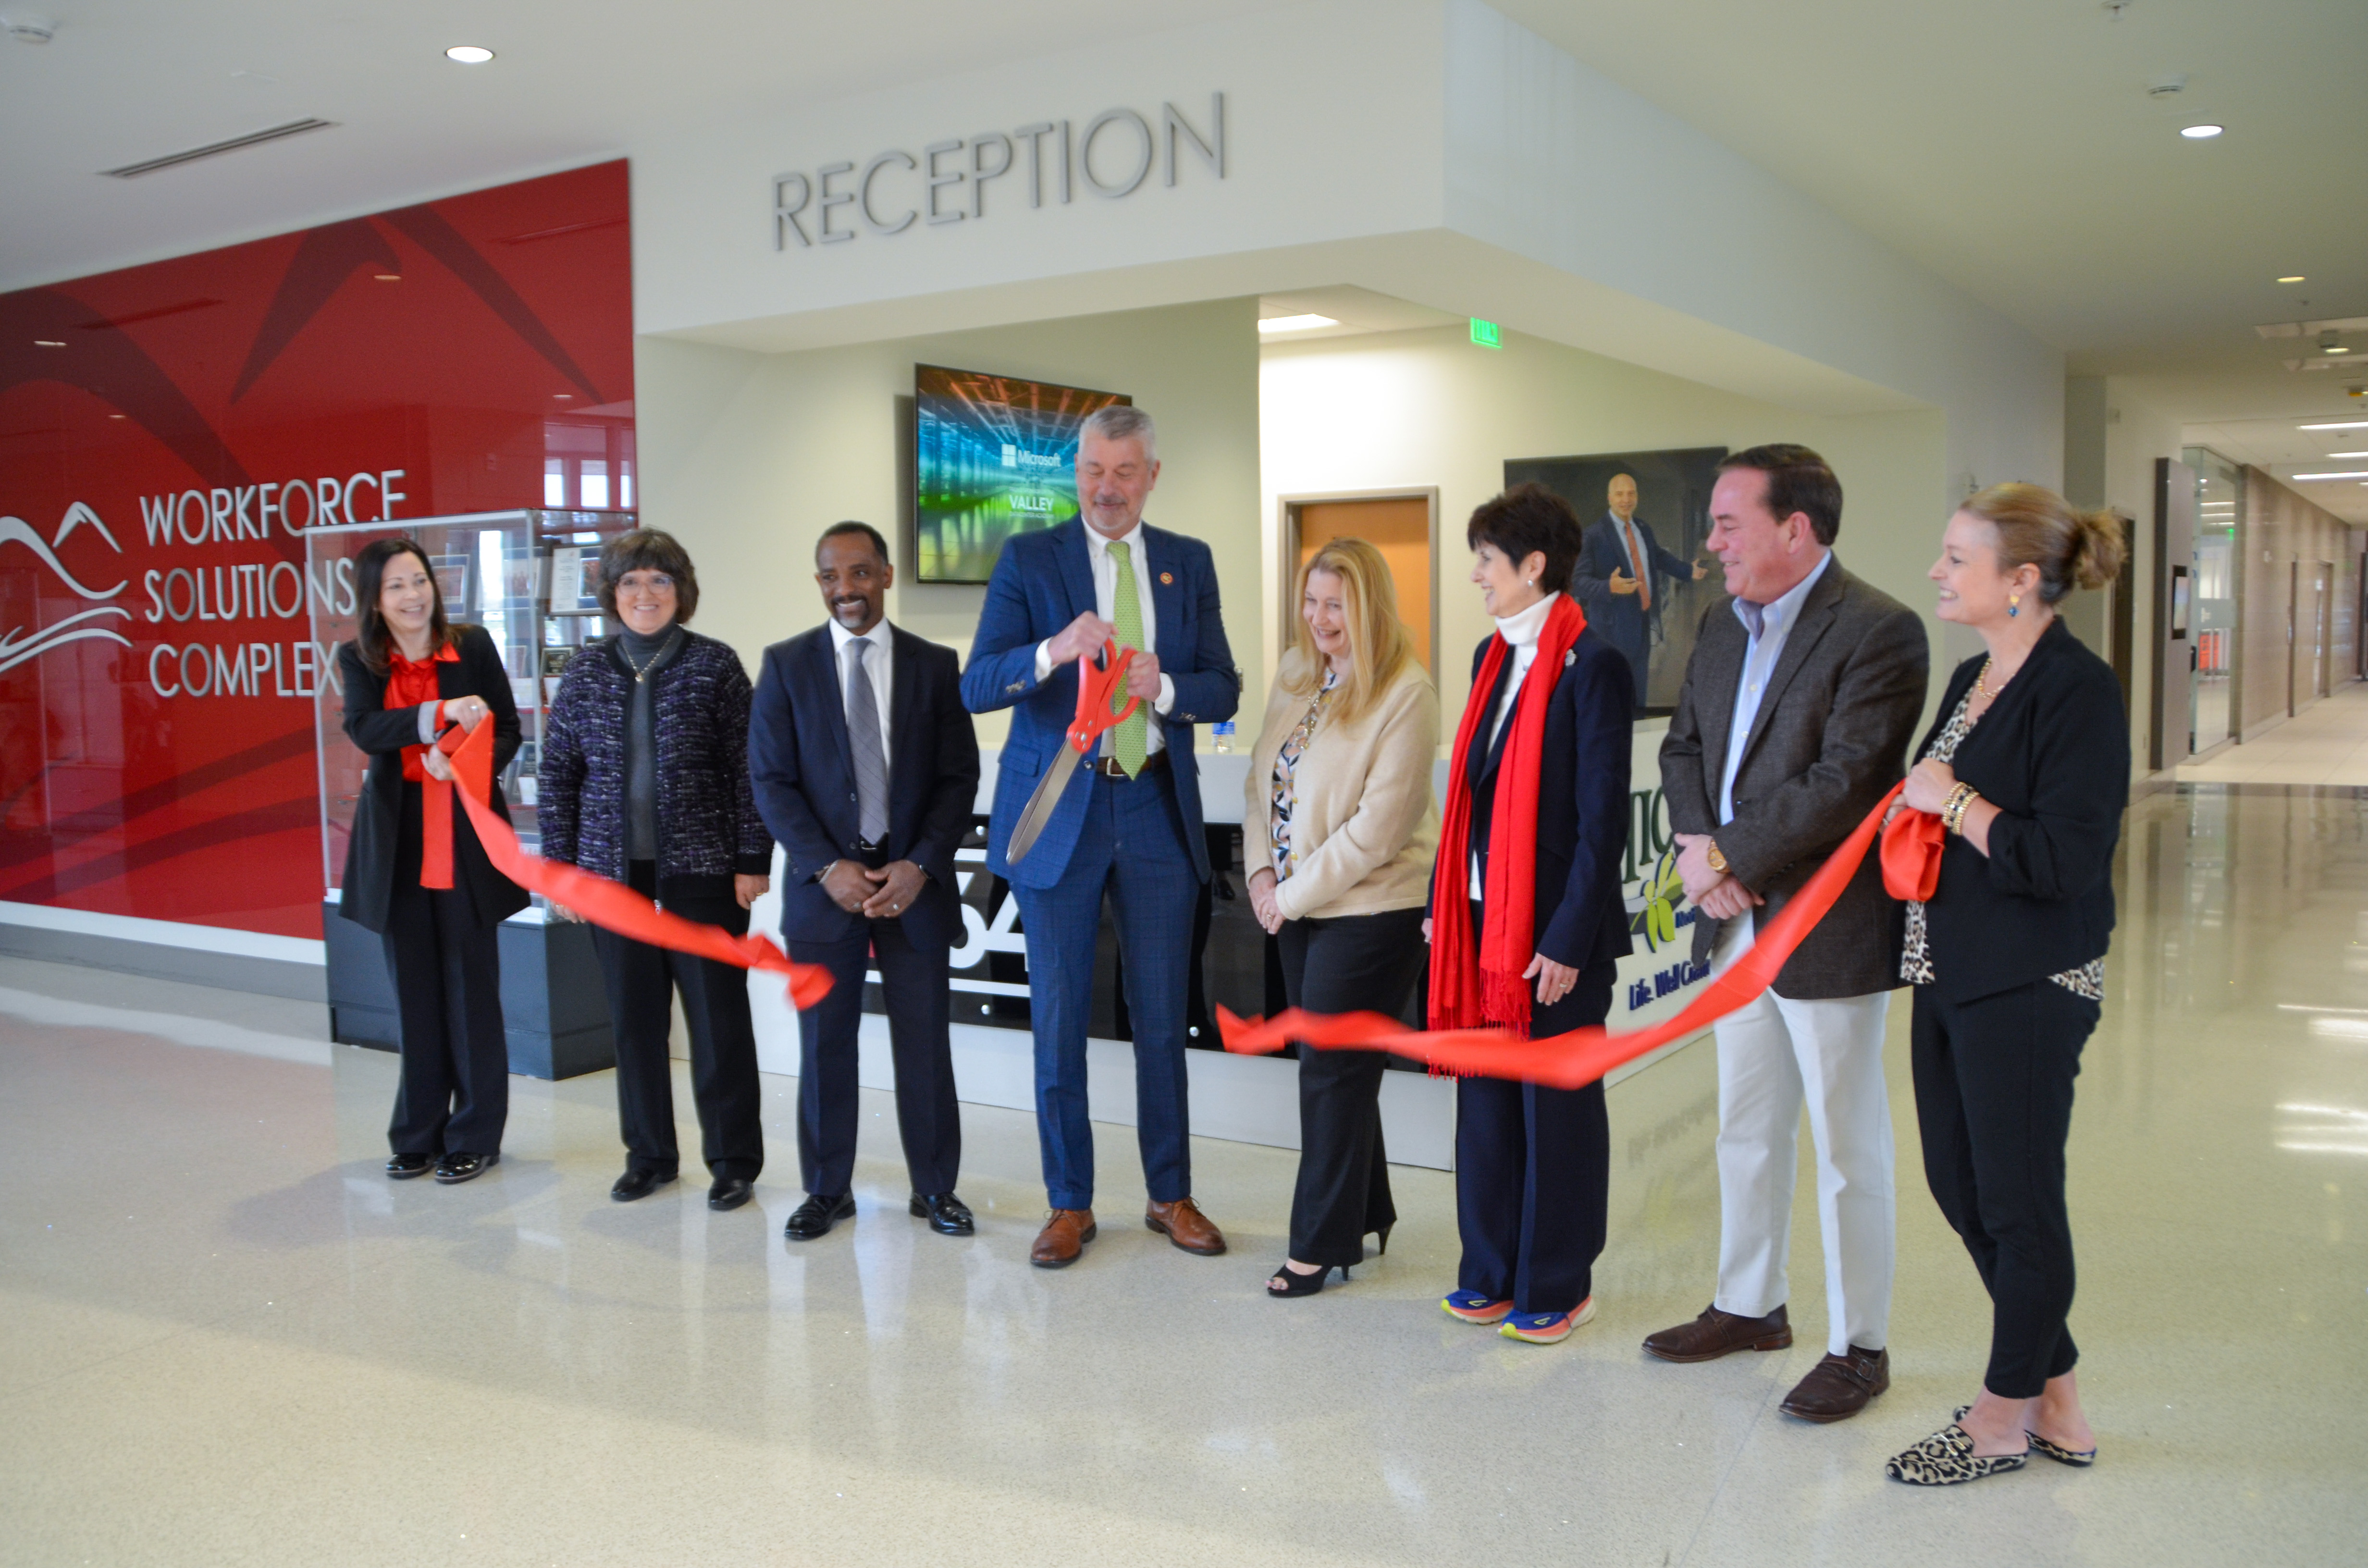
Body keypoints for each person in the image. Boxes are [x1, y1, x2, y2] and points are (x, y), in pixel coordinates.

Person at [1647, 444, 1928, 1421]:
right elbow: (1683, 747)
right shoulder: (1722, 628)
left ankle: (1860, 1345)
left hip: (1826, 927)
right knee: (1746, 1127)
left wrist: (1726, 859)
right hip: (1734, 925)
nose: (1711, 542)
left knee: (1849, 1144)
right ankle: (1748, 1305)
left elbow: (1845, 783)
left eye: (1728, 522)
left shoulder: (1881, 630)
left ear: (1794, 529)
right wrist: (1698, 850)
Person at [1883, 485, 2126, 1486]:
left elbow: (2063, 859)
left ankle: (1999, 1418)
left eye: (1956, 557)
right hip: (1946, 965)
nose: (1938, 572)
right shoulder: (1975, 676)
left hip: (2029, 976)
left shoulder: (2079, 690)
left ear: (2021, 579)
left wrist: (1959, 802)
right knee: (1957, 1183)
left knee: (2018, 1204)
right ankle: (2057, 1397)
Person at [962, 404, 1241, 1269]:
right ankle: (1068, 1201)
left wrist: (1166, 686)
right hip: (1060, 818)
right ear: (1072, 471)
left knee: (1163, 1017)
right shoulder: (1028, 559)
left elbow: (1223, 687)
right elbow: (977, 683)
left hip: (1155, 808)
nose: (1106, 488)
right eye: (1092, 470)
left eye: (1124, 472)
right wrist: (1049, 651)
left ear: (1151, 475)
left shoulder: (1187, 563)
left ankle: (1169, 1193)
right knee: (1056, 1019)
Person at [1430, 484, 1633, 1344]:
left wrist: (1564, 938)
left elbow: (1600, 824)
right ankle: (1489, 1267)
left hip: (1556, 937)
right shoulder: (1488, 657)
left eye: (1486, 557)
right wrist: (1450, 906)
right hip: (1483, 926)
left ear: (1533, 565)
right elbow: (1474, 800)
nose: (1475, 572)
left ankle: (1556, 1279)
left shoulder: (1595, 666)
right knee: (1485, 1111)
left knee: (1556, 1117)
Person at [751, 522, 981, 1241]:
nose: (843, 589)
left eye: (857, 573)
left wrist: (920, 864)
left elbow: (958, 778)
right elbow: (771, 780)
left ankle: (935, 1190)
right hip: (826, 896)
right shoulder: (785, 665)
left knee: (924, 1046)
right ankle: (827, 1190)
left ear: (884, 573)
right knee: (825, 1047)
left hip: (915, 888)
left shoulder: (934, 665)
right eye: (829, 576)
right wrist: (827, 867)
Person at [538, 529, 774, 1212]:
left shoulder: (716, 667)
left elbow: (749, 773)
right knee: (634, 1023)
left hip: (705, 877)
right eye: (632, 582)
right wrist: (559, 871)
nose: (646, 594)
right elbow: (559, 778)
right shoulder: (584, 672)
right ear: (612, 594)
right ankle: (649, 1156)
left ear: (682, 591)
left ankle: (733, 1161)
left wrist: (752, 861)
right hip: (613, 882)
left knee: (718, 1022)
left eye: (660, 581)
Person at [1243, 538, 1439, 1297]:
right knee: (1341, 1071)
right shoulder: (1298, 675)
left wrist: (1285, 897)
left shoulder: (1405, 692)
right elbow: (1263, 780)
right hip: (1292, 904)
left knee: (1330, 1073)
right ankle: (1369, 1212)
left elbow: (1378, 831)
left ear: (1369, 605)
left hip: (1372, 910)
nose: (1319, 618)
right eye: (1311, 601)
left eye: (1336, 603)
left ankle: (1316, 1247)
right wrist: (1262, 872)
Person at [336, 536, 524, 1186]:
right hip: (399, 841)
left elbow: (507, 729)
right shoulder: (359, 658)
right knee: (413, 994)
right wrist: (437, 716)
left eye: (419, 581)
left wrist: (471, 761)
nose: (413, 596)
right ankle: (417, 1134)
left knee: (472, 990)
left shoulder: (470, 645)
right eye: (396, 587)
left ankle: (474, 1134)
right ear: (374, 600)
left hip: (467, 833)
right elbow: (364, 729)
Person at [1572, 471, 1706, 705]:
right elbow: (1578, 582)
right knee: (1612, 696)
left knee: (1638, 692)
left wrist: (1687, 571)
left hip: (1642, 622)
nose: (1626, 499)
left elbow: (1658, 557)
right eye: (1620, 494)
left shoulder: (1642, 528)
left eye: (1631, 493)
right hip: (1609, 632)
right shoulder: (1593, 536)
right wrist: (1609, 587)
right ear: (1609, 498)